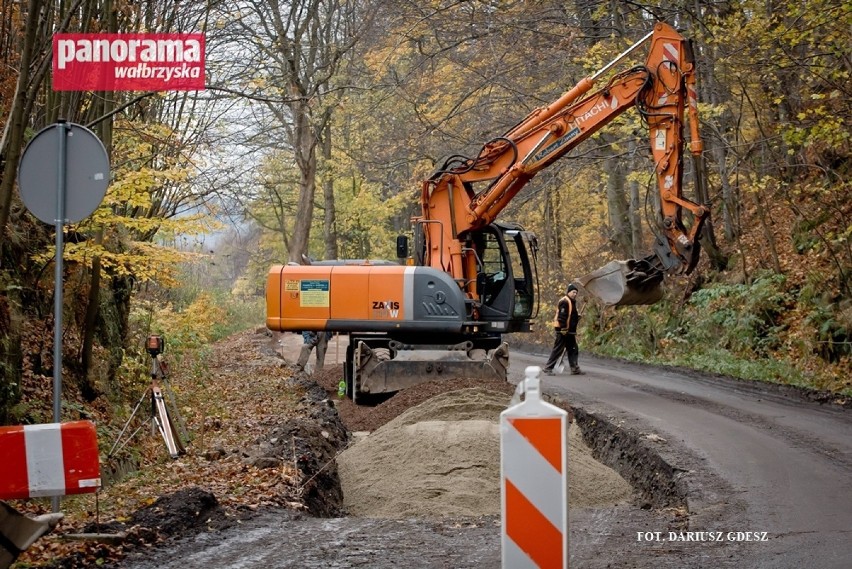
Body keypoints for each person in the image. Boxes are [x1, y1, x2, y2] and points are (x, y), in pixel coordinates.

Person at [542, 283, 585, 375]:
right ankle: (548, 368)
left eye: (576, 293)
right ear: (569, 292)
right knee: (558, 349)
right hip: (563, 330)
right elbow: (562, 317)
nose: (575, 294)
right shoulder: (565, 301)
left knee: (573, 349)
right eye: (573, 292)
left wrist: (577, 317)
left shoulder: (571, 302)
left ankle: (574, 368)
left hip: (569, 331)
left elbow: (570, 315)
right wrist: (563, 329)